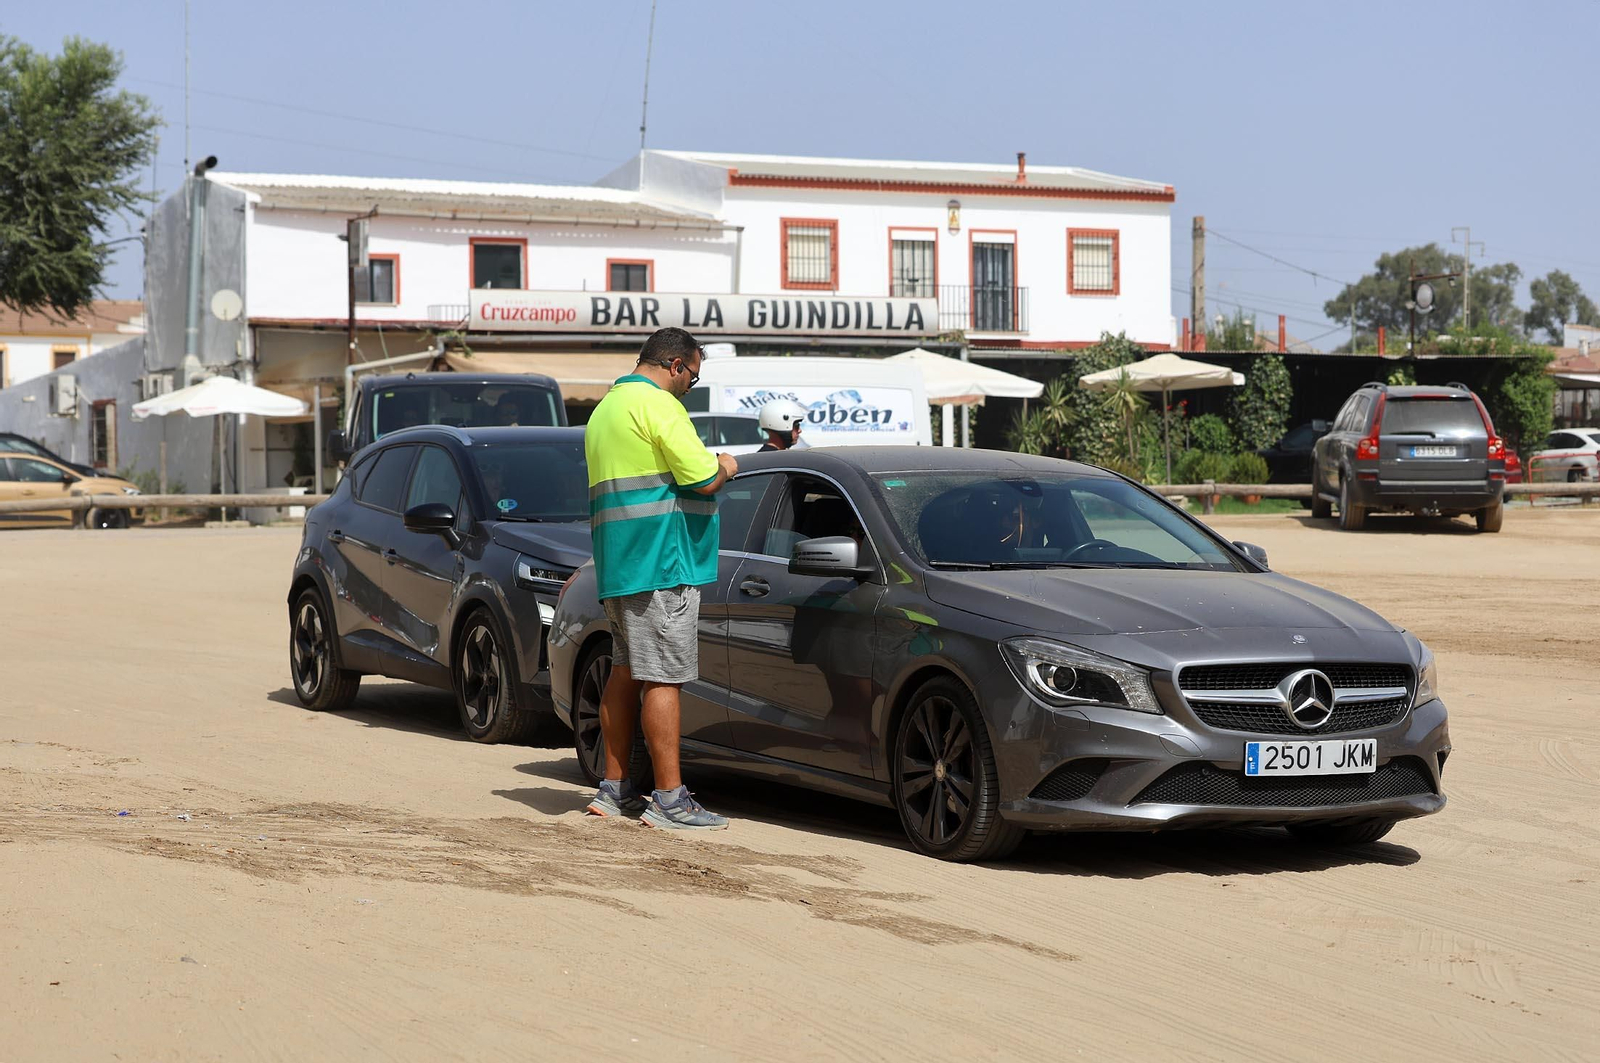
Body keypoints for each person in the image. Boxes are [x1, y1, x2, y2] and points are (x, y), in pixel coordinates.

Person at [582, 327, 738, 829]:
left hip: (619, 563)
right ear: (675, 365)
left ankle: (614, 790)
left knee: (624, 672)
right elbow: (703, 478)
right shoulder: (660, 406)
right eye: (693, 376)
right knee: (664, 677)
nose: (690, 386)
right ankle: (670, 799)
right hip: (662, 563)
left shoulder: (606, 409)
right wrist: (727, 464)